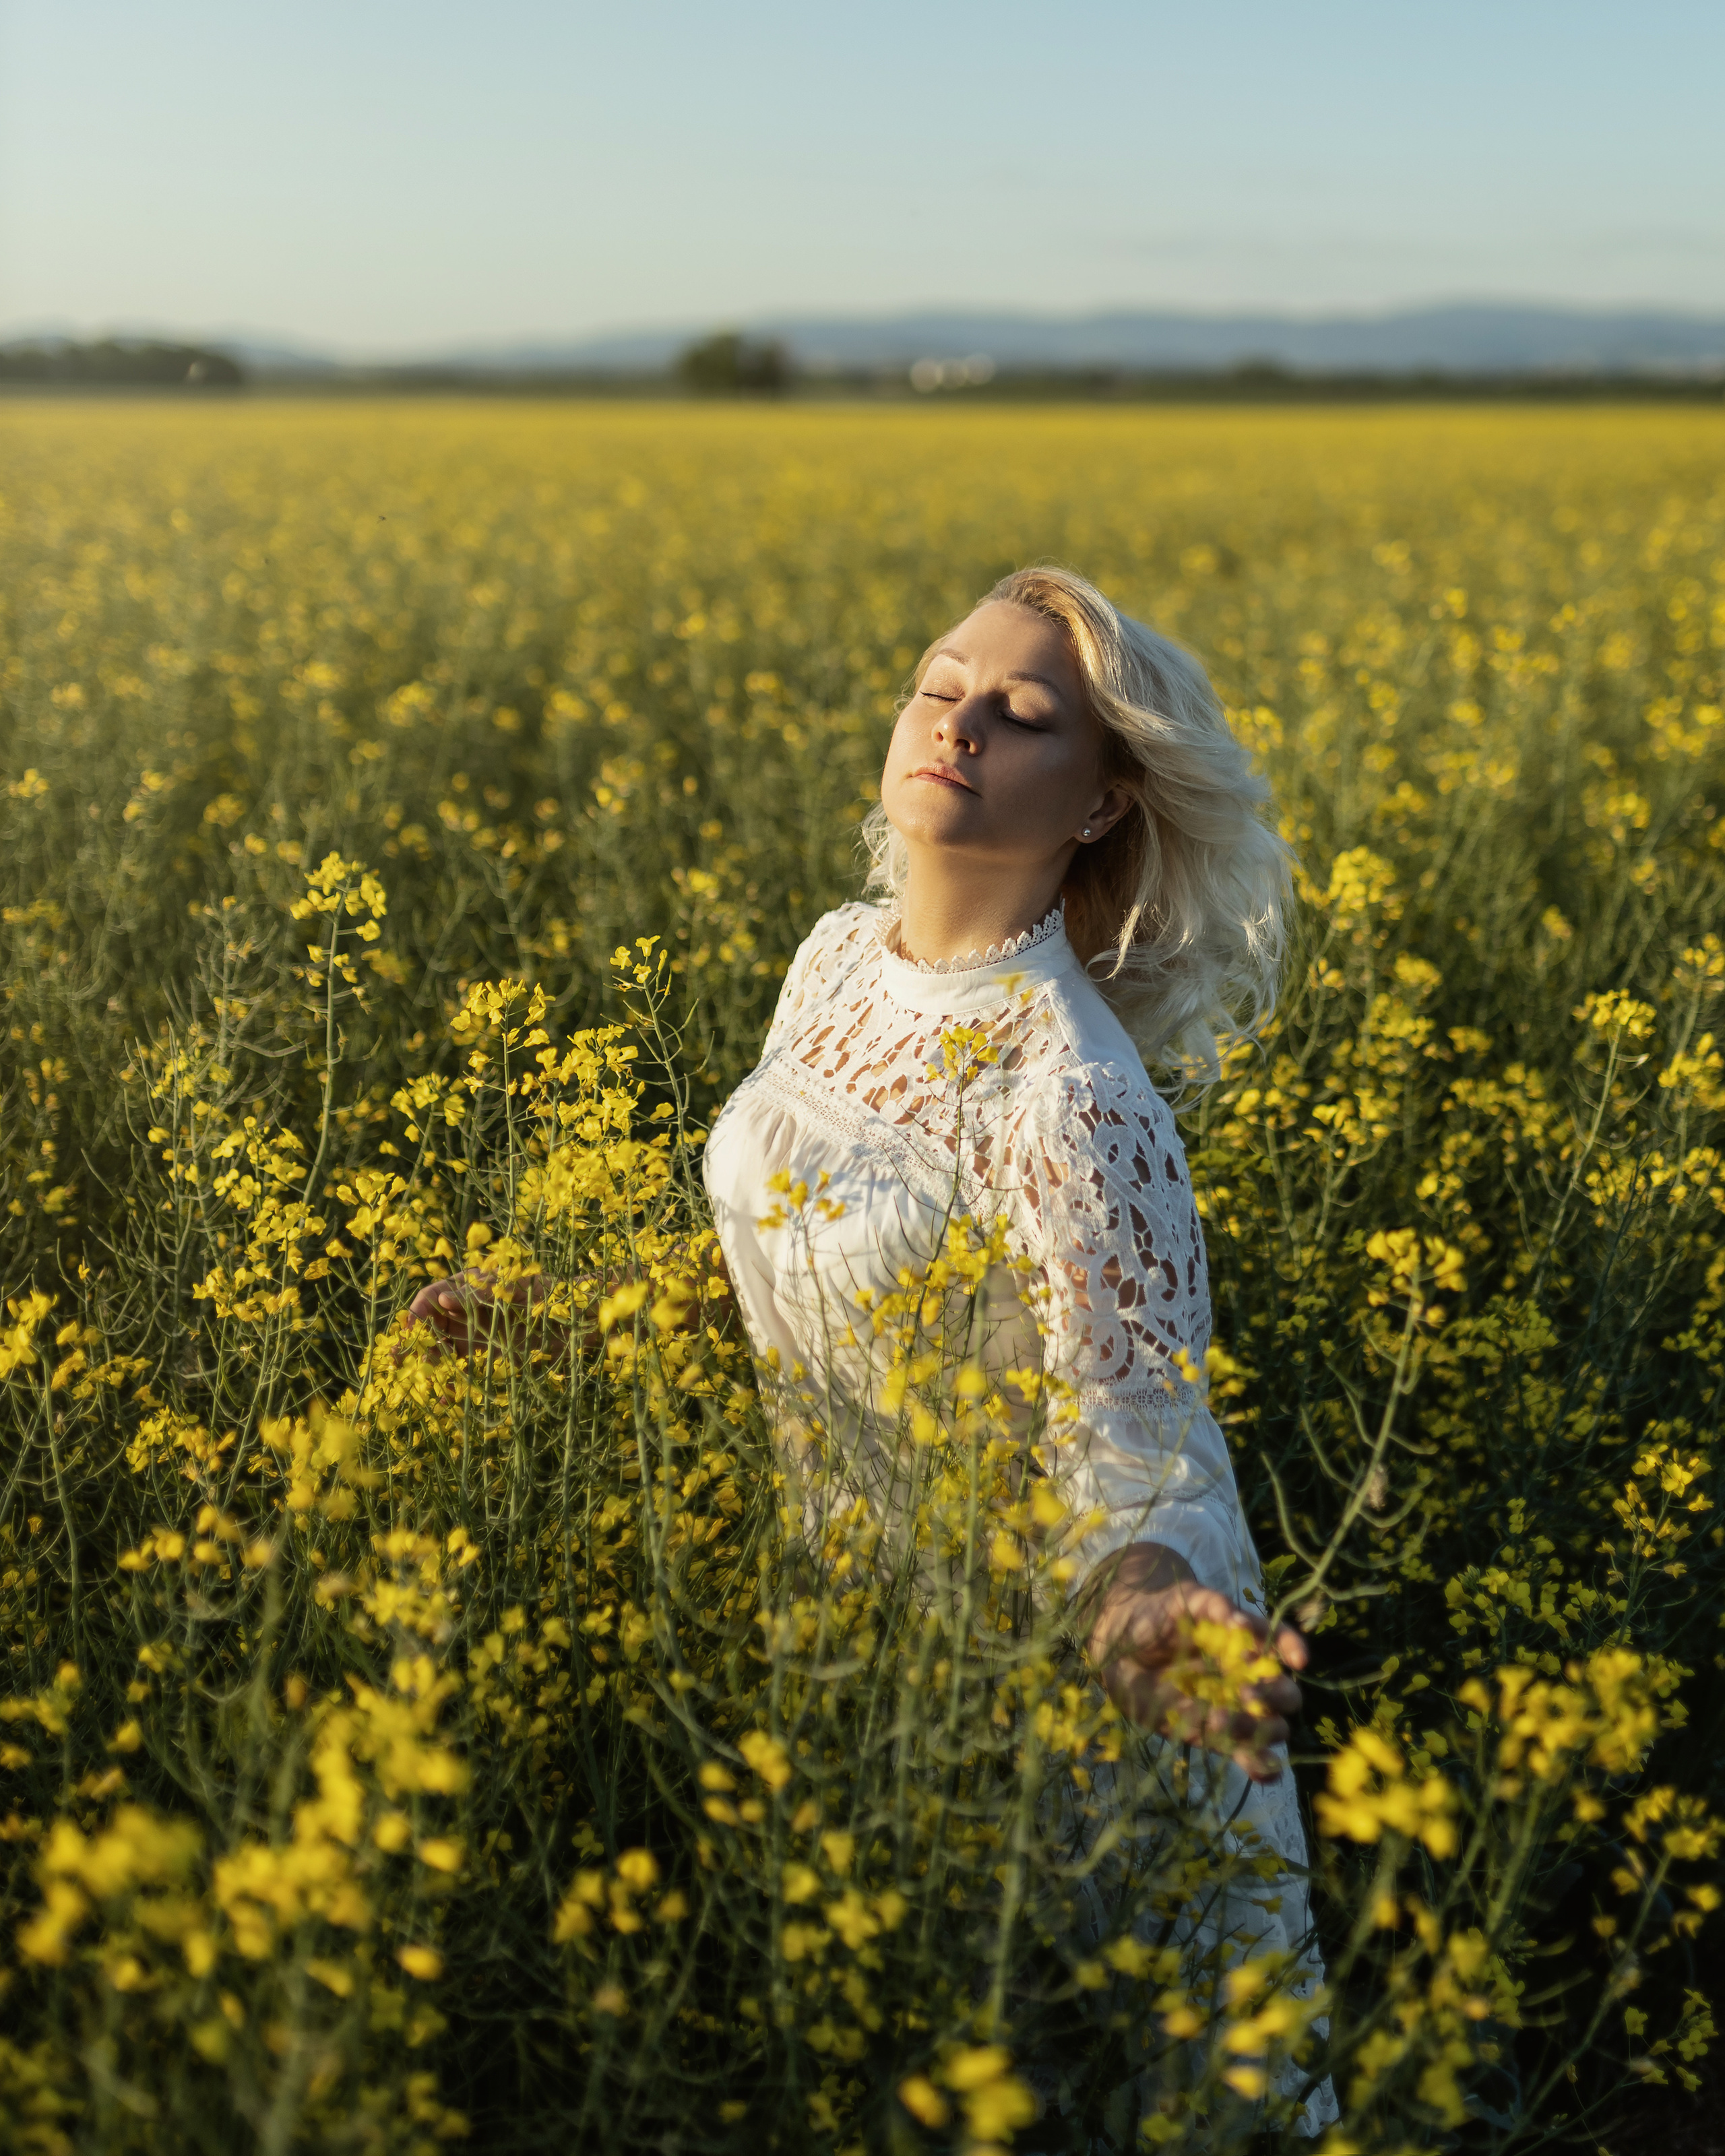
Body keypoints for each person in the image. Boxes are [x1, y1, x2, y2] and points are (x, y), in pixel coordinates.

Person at [409, 565, 1337, 2132]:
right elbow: (779, 1249)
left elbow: (1137, 1436)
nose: (958, 723)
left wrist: (1141, 1602)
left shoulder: (1071, 1095)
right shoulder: (837, 958)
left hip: (1003, 1685)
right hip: (835, 1633)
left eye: (1021, 714)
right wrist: (568, 1319)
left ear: (1102, 803)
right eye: (938, 685)